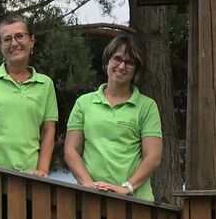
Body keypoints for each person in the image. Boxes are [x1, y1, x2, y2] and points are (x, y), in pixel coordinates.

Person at [63, 34, 162, 201]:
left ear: (136, 70)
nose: (122, 66)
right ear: (107, 62)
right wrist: (88, 184)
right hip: (90, 200)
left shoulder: (147, 106)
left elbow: (153, 156)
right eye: (117, 59)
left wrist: (126, 188)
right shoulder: (83, 103)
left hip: (135, 202)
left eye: (130, 62)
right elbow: (71, 150)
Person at [0, 15, 59, 174]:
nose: (14, 43)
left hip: (29, 178)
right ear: (1, 46)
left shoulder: (45, 84)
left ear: (32, 40)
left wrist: (42, 170)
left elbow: (48, 131)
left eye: (20, 36)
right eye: (7, 39)